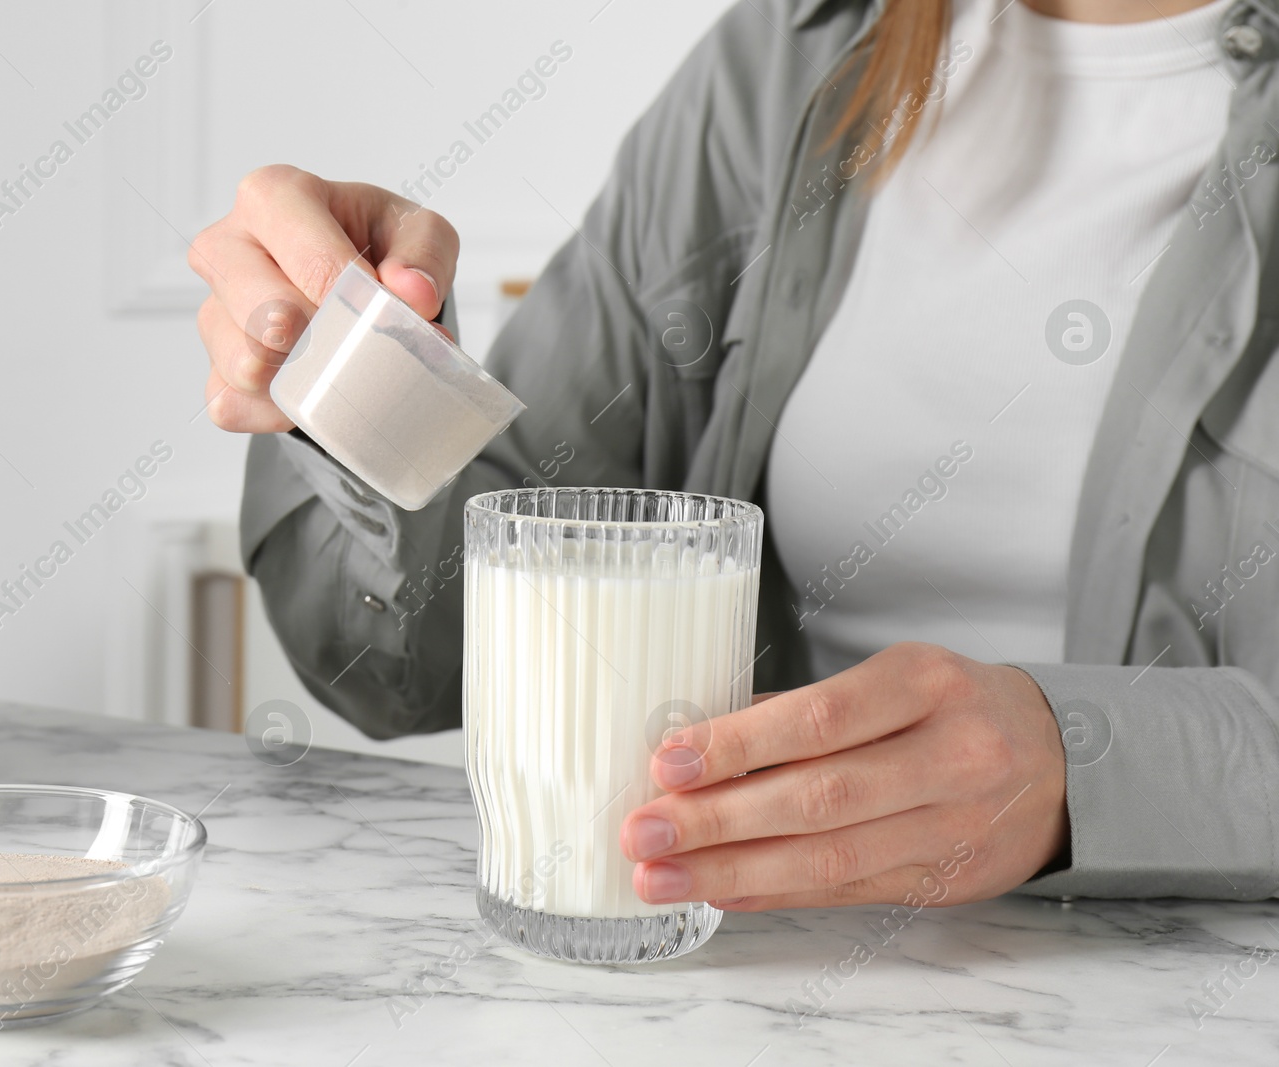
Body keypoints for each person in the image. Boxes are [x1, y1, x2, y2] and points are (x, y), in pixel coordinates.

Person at [188, 0, 1279, 912]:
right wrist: (349, 365)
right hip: (766, 979)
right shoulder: (793, 58)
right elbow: (409, 658)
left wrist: (1080, 762)